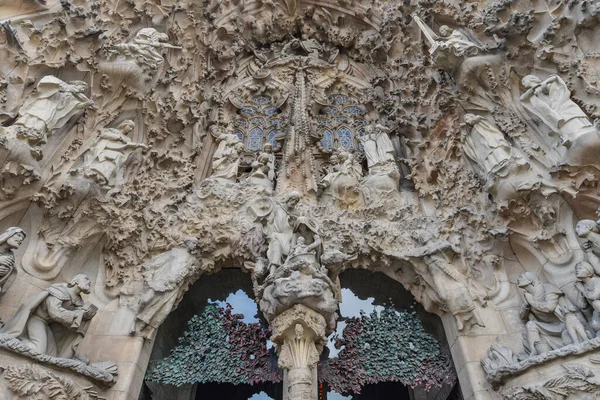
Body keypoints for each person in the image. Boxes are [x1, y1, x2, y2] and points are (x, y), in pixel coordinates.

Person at [0, 274, 97, 360]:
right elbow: (55, 312)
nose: (89, 282)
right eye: (86, 279)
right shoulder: (59, 291)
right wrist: (78, 314)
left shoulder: (78, 300)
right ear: (76, 281)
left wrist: (85, 314)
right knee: (38, 350)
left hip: (46, 325)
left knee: (52, 355)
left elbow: (76, 314)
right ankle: (15, 340)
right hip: (36, 320)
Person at [521, 74, 593, 147]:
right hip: (555, 114)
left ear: (532, 79)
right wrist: (535, 88)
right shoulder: (532, 95)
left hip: (564, 107)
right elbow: (523, 99)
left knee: (574, 123)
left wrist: (545, 83)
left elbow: (555, 78)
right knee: (565, 126)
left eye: (524, 81)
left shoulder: (548, 84)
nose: (523, 84)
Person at [0, 227, 26, 296]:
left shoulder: (10, 256)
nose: (20, 239)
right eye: (18, 235)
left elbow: (8, 279)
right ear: (9, 234)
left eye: (22, 239)